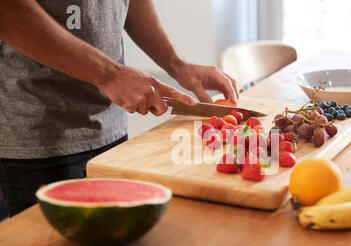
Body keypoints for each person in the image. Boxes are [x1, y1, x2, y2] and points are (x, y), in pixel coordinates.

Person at [0, 0, 239, 220]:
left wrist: (178, 66)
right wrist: (109, 75)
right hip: (41, 132)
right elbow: (8, 10)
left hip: (112, 124)